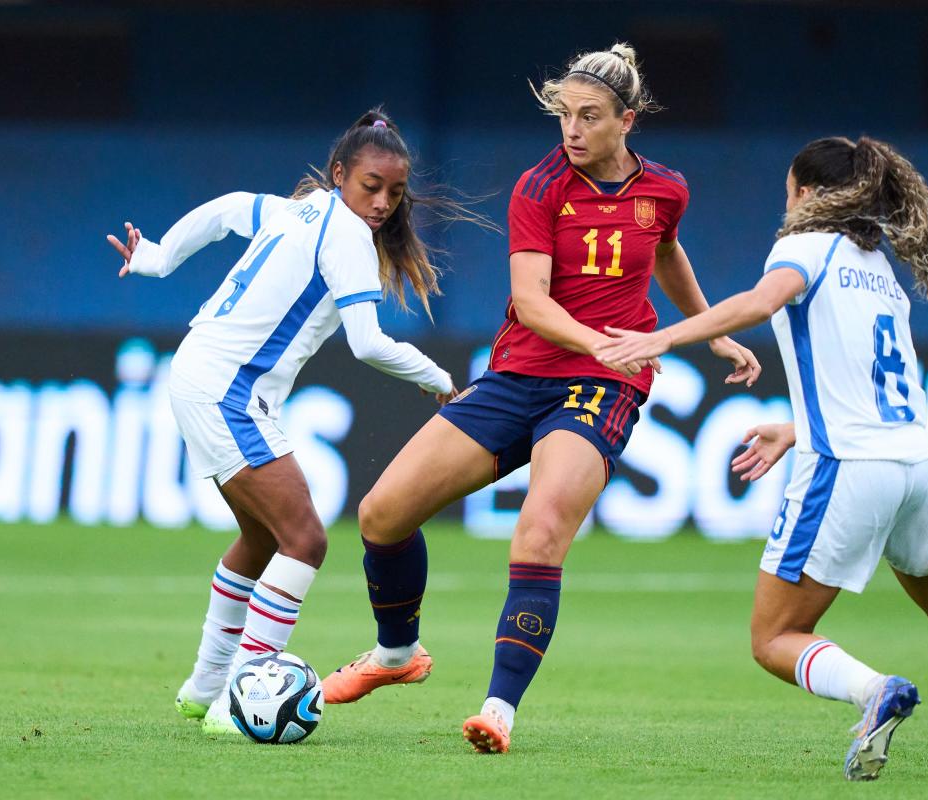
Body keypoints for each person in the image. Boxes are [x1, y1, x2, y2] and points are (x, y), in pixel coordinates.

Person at [596, 136, 928, 781]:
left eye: (788, 188)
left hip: (849, 468)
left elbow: (759, 302)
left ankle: (873, 690)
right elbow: (879, 386)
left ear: (804, 192)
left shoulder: (803, 247)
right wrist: (797, 428)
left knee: (774, 639)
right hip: (915, 465)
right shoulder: (877, 266)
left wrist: (661, 336)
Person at [319, 43, 761, 754]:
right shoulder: (540, 186)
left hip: (604, 383)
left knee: (542, 527)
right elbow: (529, 303)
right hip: (523, 373)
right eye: (564, 116)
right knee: (381, 513)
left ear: (629, 120)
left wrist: (704, 330)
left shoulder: (666, 190)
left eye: (589, 117)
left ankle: (499, 708)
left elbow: (666, 250)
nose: (573, 131)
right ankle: (397, 654)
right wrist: (598, 339)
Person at [105, 109, 482, 736]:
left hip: (207, 376)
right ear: (339, 173)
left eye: (395, 190)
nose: (384, 202)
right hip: (226, 390)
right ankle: (239, 699)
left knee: (262, 540)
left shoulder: (299, 209)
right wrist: (438, 379)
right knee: (305, 539)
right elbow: (366, 343)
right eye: (371, 185)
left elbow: (227, 209)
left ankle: (205, 685)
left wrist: (159, 258)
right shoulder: (347, 237)